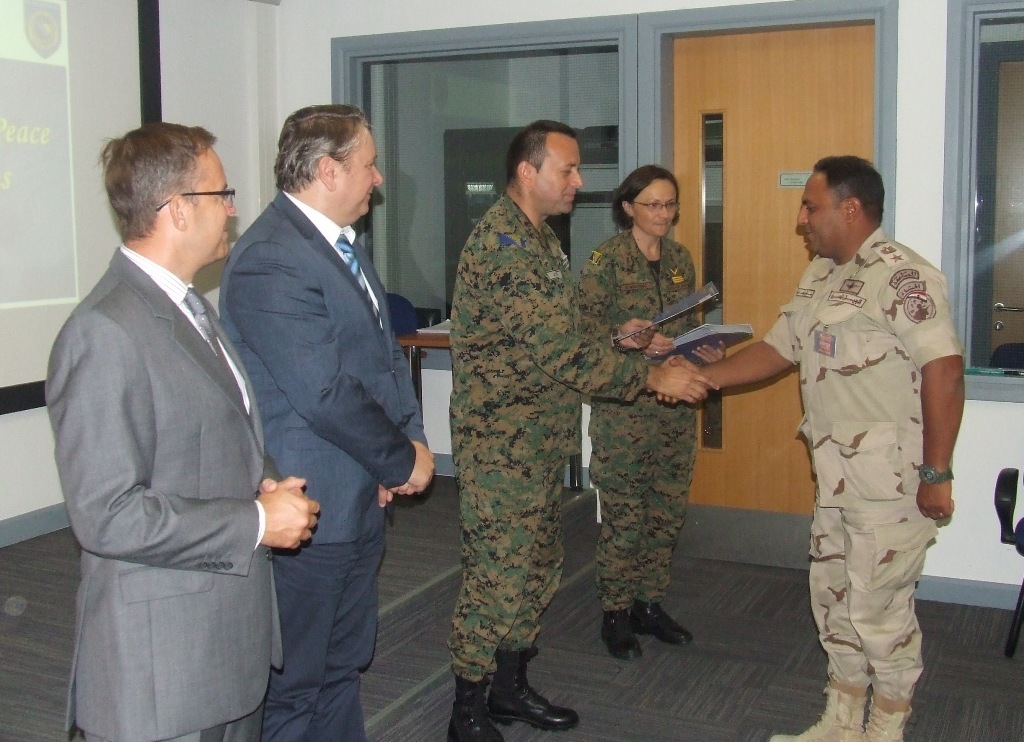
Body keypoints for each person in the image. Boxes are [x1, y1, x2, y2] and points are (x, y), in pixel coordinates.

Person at [46, 122, 320, 742]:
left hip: (224, 647)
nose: (232, 210)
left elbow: (220, 431)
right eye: (222, 194)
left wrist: (267, 481)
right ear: (177, 209)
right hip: (164, 672)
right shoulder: (104, 332)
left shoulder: (191, 308)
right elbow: (107, 515)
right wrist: (255, 522)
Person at [447, 120, 717, 742]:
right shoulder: (504, 246)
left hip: (538, 442)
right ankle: (467, 707)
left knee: (536, 566)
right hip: (502, 448)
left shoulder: (541, 239)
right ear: (527, 172)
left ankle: (509, 686)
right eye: (567, 169)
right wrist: (651, 377)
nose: (578, 180)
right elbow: (561, 355)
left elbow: (566, 333)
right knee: (496, 576)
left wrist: (617, 336)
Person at [700, 156, 964, 742]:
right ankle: (841, 724)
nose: (801, 219)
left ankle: (885, 729)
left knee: (880, 613)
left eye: (810, 206)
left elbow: (944, 371)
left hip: (890, 487)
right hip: (838, 480)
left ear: (850, 209)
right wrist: (705, 378)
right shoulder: (822, 274)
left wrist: (936, 473)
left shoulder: (902, 277)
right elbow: (779, 348)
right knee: (835, 602)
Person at [219, 104, 434, 742]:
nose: (379, 179)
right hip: (309, 504)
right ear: (327, 171)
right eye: (369, 165)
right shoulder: (270, 257)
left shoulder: (342, 246)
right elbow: (324, 392)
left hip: (358, 492)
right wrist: (400, 461)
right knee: (296, 685)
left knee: (342, 667)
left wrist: (410, 440)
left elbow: (384, 358)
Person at [578, 164, 723, 660]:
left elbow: (688, 326)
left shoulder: (680, 259)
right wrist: (623, 338)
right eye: (653, 205)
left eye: (670, 205)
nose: (663, 214)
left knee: (666, 512)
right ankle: (616, 612)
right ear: (628, 208)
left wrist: (704, 347)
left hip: (674, 407)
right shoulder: (606, 261)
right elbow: (584, 338)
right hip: (626, 410)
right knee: (626, 517)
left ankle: (649, 603)